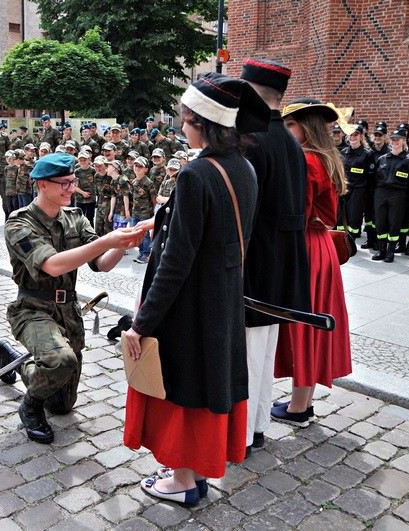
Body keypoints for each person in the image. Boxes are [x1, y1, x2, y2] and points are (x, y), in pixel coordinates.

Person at [123, 73, 270, 505]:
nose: (180, 126)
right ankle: (192, 473)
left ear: (204, 122)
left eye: (185, 119)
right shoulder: (243, 166)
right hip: (221, 297)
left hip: (189, 303)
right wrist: (164, 220)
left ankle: (184, 481)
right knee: (204, 384)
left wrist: (142, 322)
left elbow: (176, 261)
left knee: (184, 389)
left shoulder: (196, 173)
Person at [0, 152, 144, 443]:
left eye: (72, 181)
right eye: (63, 183)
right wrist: (107, 240)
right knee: (60, 360)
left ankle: (15, 360)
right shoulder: (19, 224)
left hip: (68, 310)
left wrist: (124, 244)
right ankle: (29, 408)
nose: (71, 188)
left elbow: (101, 263)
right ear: (42, 185)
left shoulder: (75, 218)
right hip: (32, 307)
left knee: (63, 405)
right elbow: (52, 265)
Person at [238, 59, 312, 455]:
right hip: (281, 267)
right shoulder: (288, 140)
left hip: (255, 267)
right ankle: (259, 425)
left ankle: (244, 434)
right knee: (263, 355)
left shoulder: (251, 138)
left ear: (251, 92)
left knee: (248, 357)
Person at [271, 98, 351, 428]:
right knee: (311, 325)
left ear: (306, 127)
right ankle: (303, 401)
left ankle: (299, 408)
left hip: (305, 247)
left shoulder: (305, 160)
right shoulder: (324, 156)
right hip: (319, 247)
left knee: (303, 326)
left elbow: (294, 214)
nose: (286, 131)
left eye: (290, 125)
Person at [372, 130, 409, 262]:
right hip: (381, 193)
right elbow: (375, 178)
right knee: (380, 222)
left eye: (397, 139)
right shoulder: (382, 159)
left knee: (394, 223)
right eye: (393, 139)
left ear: (403, 140)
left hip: (398, 194)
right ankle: (382, 249)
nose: (394, 142)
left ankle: (391, 251)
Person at [339, 126, 376, 240]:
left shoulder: (367, 154)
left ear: (361, 136)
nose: (353, 137)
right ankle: (341, 241)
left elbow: (371, 176)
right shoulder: (344, 152)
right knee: (340, 218)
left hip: (359, 190)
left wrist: (366, 194)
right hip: (344, 189)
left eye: (355, 134)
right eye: (351, 135)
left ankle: (351, 240)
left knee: (354, 218)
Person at [130, 156, 157, 263]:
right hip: (135, 212)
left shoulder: (148, 183)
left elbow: (154, 199)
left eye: (140, 166)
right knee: (136, 234)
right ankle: (141, 252)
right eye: (136, 166)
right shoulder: (134, 181)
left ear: (146, 169)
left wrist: (153, 212)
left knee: (145, 235)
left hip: (145, 213)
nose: (137, 168)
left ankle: (146, 254)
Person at [73, 150, 96, 225]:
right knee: (79, 218)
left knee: (90, 218)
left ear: (89, 160)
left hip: (91, 199)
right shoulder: (77, 172)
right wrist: (82, 193)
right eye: (81, 160)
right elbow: (74, 186)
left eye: (84, 160)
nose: (82, 162)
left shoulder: (93, 171)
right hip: (80, 198)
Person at [108, 160, 132, 230]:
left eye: (109, 166)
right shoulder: (112, 181)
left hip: (124, 210)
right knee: (116, 230)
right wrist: (111, 212)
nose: (107, 168)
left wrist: (127, 211)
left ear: (114, 168)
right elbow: (113, 196)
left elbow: (126, 196)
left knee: (122, 231)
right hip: (117, 210)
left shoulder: (123, 180)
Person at [94, 156, 114, 236]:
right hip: (100, 201)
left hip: (110, 202)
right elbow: (98, 191)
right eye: (96, 166)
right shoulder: (96, 176)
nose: (98, 168)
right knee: (98, 225)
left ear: (105, 165)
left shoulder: (111, 176)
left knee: (108, 226)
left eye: (100, 166)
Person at [3, 150, 19, 219]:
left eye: (11, 158)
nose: (9, 160)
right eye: (7, 158)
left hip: (15, 192)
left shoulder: (17, 168)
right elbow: (5, 178)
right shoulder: (6, 168)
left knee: (15, 207)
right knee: (9, 208)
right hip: (8, 191)